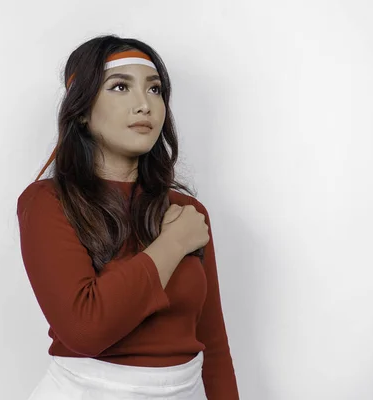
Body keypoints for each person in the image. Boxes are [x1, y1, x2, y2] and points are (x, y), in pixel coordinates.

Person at [16, 34, 239, 399]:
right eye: (121, 87)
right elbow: (84, 329)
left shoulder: (189, 212)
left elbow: (212, 344)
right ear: (83, 110)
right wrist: (172, 244)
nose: (144, 104)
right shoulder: (46, 202)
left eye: (155, 90)